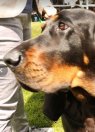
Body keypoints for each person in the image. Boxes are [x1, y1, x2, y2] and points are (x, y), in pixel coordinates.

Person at [0, 0, 57, 132]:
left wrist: (45, 4)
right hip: (3, 16)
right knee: (4, 91)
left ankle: (22, 129)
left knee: (15, 80)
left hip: (24, 13)